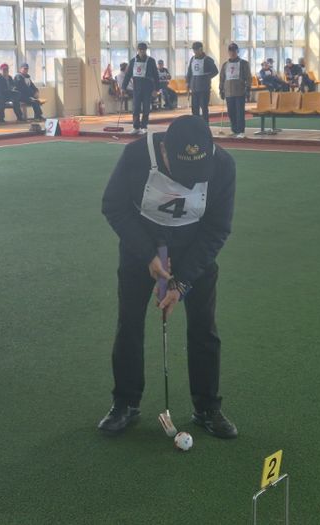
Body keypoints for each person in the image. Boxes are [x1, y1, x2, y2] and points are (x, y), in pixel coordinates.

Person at [99, 115, 238, 439]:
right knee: (129, 323)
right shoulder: (136, 155)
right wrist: (148, 255)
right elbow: (114, 206)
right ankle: (125, 403)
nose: (189, 182)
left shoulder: (223, 166)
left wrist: (182, 281)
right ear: (164, 151)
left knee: (204, 327)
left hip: (195, 250)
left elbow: (218, 228)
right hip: (140, 248)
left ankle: (207, 407)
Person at [122, 43, 159, 135]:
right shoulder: (133, 61)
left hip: (148, 88)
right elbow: (128, 75)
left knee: (146, 108)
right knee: (136, 108)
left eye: (144, 50)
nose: (142, 51)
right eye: (140, 50)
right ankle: (136, 127)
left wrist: (156, 89)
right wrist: (123, 87)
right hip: (137, 88)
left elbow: (156, 76)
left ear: (146, 50)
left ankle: (144, 127)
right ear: (137, 50)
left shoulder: (151, 61)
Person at [219, 43, 252, 138]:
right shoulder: (225, 65)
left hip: (240, 92)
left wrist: (248, 89)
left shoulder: (244, 63)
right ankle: (234, 130)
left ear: (237, 51)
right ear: (228, 52)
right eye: (230, 51)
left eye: (234, 51)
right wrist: (221, 89)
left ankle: (240, 131)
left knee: (240, 112)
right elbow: (222, 78)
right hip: (229, 92)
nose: (232, 53)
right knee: (231, 113)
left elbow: (248, 77)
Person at [186, 42, 218, 123]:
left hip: (204, 89)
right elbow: (189, 72)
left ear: (201, 49)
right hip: (194, 88)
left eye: (196, 50)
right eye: (194, 50)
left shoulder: (208, 60)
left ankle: (205, 125)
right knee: (194, 109)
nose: (194, 52)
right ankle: (196, 125)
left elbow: (215, 71)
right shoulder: (192, 59)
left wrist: (206, 78)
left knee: (204, 108)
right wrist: (188, 83)